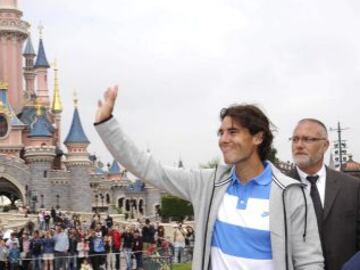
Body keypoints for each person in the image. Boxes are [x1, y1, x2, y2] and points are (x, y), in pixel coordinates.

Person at [94, 86, 324, 269]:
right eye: (221, 132)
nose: (223, 139)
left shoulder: (291, 193)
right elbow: (149, 168)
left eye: (233, 132)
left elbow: (309, 262)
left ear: (258, 138)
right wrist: (107, 125)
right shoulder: (208, 184)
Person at [289, 118, 360, 270]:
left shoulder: (353, 187)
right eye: (295, 139)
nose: (299, 145)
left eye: (307, 139)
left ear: (325, 145)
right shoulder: (279, 187)